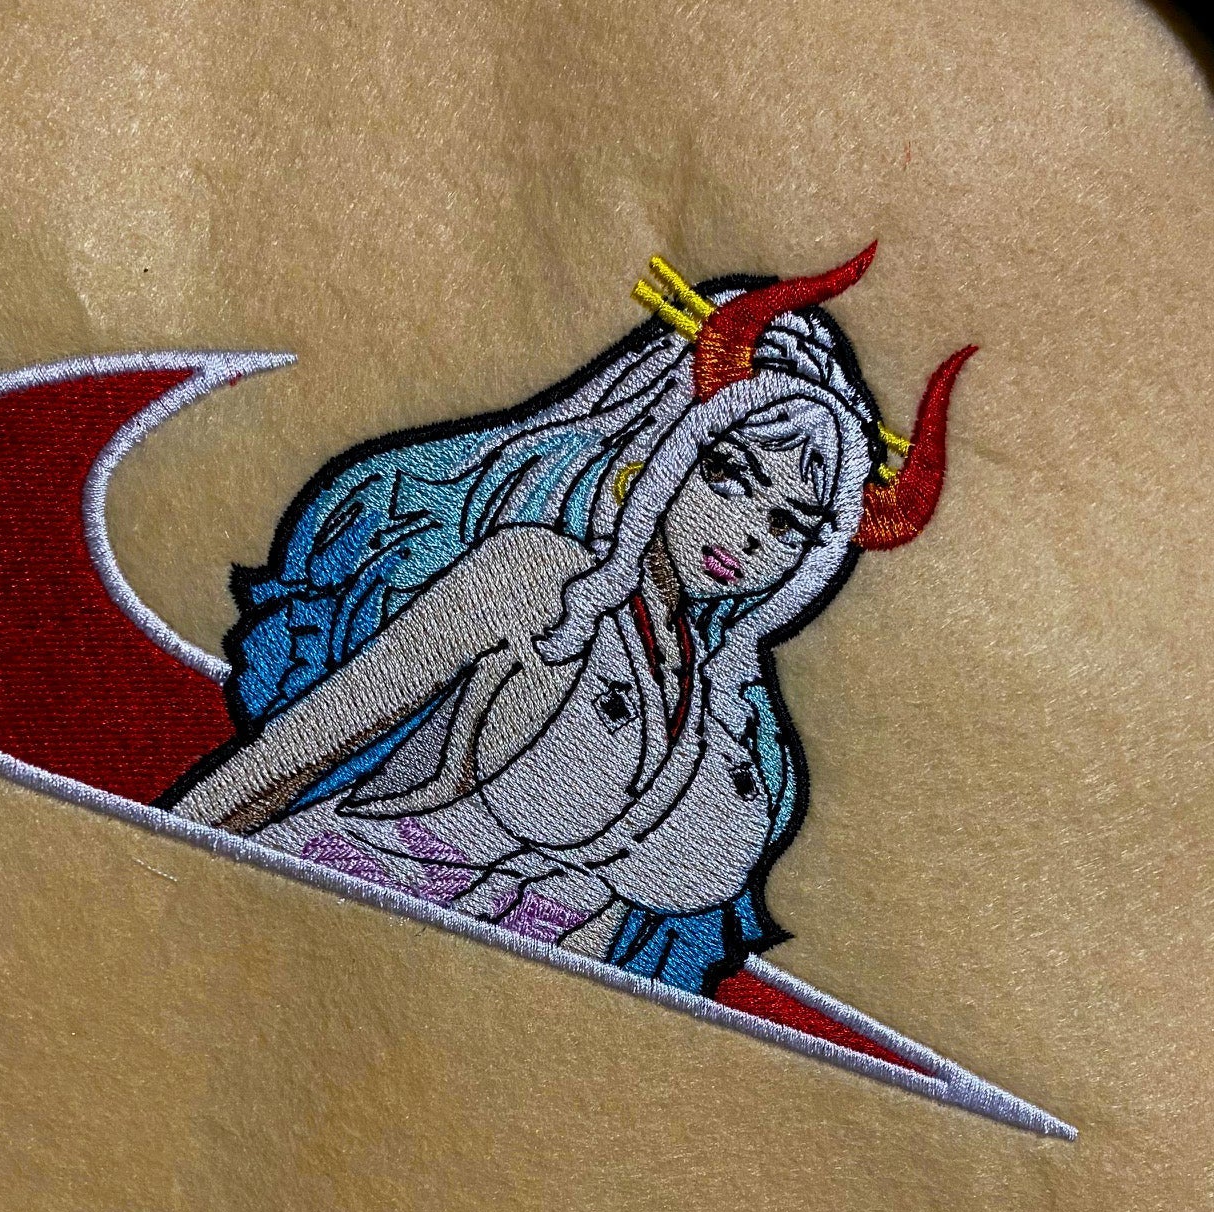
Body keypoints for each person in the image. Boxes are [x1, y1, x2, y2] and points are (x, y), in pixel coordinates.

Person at [168, 246, 972, 995]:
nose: (749, 535)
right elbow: (293, 752)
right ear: (667, 448)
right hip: (277, 940)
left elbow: (603, 938)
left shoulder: (721, 712)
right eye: (729, 475)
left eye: (791, 523)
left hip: (463, 1036)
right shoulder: (534, 576)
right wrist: (148, 886)